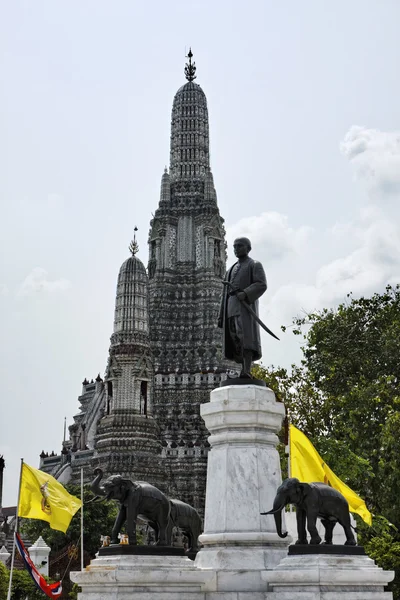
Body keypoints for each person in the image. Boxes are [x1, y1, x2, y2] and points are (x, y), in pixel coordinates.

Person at [218, 237, 267, 378]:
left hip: (245, 308)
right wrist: (221, 315)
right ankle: (241, 368)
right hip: (231, 307)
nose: (236, 249)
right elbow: (224, 293)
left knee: (245, 337)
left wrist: (245, 293)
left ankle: (247, 370)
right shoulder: (230, 269)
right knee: (234, 338)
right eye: (234, 246)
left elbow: (261, 284)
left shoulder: (254, 265)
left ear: (248, 248)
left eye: (239, 246)